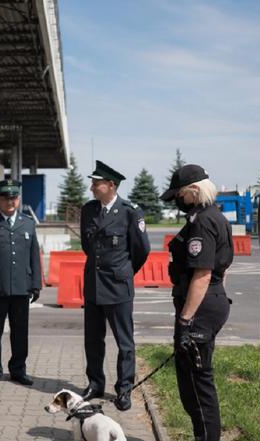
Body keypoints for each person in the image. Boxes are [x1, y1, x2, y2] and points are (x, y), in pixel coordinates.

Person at [159, 164, 233, 441]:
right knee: (192, 381)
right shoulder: (214, 217)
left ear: (193, 190)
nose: (177, 200)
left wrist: (186, 320)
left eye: (179, 194)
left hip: (199, 308)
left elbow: (202, 275)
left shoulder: (202, 221)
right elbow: (221, 271)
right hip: (208, 303)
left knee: (198, 385)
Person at [79, 160, 150, 411]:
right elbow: (88, 247)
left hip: (118, 286)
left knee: (124, 342)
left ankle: (124, 389)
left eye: (96, 184)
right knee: (93, 340)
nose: (91, 187)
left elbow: (141, 250)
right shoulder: (88, 210)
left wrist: (124, 272)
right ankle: (95, 383)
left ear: (111, 185)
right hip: (93, 286)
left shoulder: (130, 212)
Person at [0, 179, 42, 388]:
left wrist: (36, 284)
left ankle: (18, 370)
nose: (10, 201)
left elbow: (34, 257)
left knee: (20, 331)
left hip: (22, 286)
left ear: (19, 199)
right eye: (5, 197)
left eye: (14, 197)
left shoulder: (28, 223)